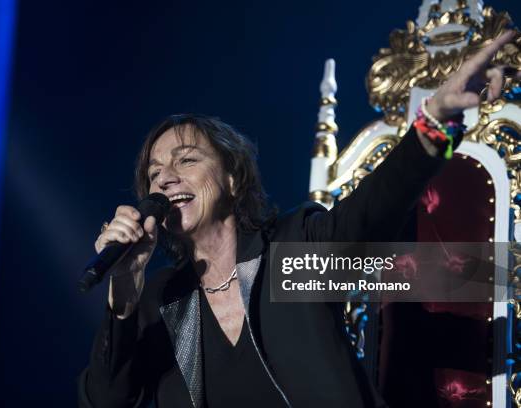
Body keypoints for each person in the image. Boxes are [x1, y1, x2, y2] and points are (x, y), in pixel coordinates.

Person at [78, 32, 519, 408]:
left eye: (185, 160)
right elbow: (104, 400)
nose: (166, 179)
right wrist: (122, 299)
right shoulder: (160, 299)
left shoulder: (290, 257)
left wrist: (435, 125)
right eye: (154, 174)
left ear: (232, 179)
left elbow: (371, 212)